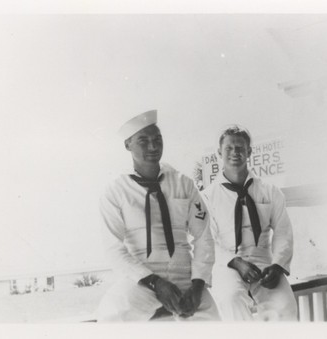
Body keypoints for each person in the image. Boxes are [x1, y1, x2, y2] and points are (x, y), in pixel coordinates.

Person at [96, 110, 220, 321]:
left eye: (157, 139)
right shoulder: (115, 190)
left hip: (186, 277)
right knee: (111, 317)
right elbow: (113, 249)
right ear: (128, 145)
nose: (153, 147)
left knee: (214, 325)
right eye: (143, 141)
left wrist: (198, 285)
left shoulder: (183, 183)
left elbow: (204, 237)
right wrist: (155, 282)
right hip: (144, 279)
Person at [202, 125, 298, 321]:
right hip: (227, 263)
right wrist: (237, 262)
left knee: (285, 305)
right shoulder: (207, 197)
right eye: (229, 148)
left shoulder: (270, 191)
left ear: (249, 152)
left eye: (240, 148)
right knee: (231, 298)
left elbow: (283, 232)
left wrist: (278, 265)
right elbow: (206, 240)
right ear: (219, 153)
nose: (235, 153)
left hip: (264, 262)